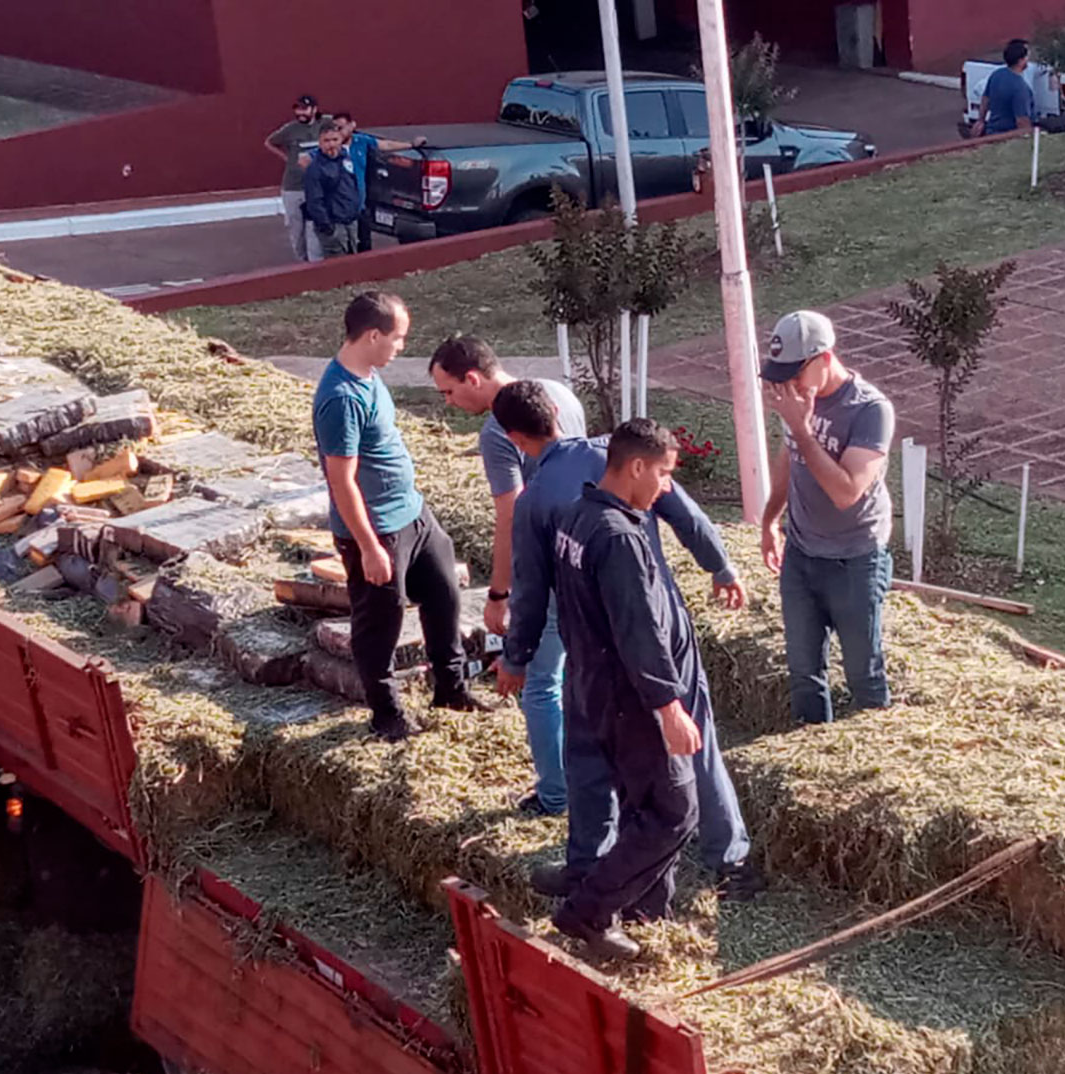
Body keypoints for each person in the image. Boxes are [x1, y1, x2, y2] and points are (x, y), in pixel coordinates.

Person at [490, 383, 762, 901]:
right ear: (555, 414)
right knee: (693, 743)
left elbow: (531, 590)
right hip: (659, 629)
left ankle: (588, 863)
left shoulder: (536, 501)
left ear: (514, 438)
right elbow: (689, 518)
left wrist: (517, 657)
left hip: (597, 645)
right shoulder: (615, 455)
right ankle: (730, 862)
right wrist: (721, 567)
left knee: (591, 752)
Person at [542, 419, 707, 961]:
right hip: (631, 699)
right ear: (636, 466)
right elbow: (640, 631)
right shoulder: (619, 540)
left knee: (641, 806)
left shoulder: (577, 518)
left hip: (593, 686)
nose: (665, 487)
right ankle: (588, 910)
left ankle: (647, 907)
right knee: (674, 813)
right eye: (662, 474)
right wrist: (669, 708)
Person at [312, 293, 486, 740]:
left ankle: (450, 688)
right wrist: (368, 546)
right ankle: (387, 715)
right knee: (380, 623)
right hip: (377, 529)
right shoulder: (340, 397)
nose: (401, 347)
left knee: (445, 595)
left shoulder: (369, 375)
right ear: (372, 336)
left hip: (413, 513)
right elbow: (341, 480)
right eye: (397, 338)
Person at [427, 337, 586, 816]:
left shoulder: (499, 430)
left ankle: (556, 795)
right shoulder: (559, 392)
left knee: (540, 682)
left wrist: (500, 594)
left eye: (449, 392)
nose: (450, 404)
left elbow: (510, 516)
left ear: (473, 379)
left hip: (550, 567)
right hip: (587, 554)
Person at [757, 310, 895, 727]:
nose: (786, 385)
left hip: (855, 559)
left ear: (825, 358)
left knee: (863, 676)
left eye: (794, 373)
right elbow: (788, 462)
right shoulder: (797, 402)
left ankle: (876, 763)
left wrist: (802, 429)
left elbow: (847, 492)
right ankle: (814, 753)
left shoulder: (870, 410)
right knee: (803, 673)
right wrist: (769, 521)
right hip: (802, 554)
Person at [334, 113, 425, 253]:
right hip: (340, 209)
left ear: (352, 125)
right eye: (335, 128)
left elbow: (385, 144)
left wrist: (411, 144)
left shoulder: (361, 141)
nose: (339, 131)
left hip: (360, 206)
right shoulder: (331, 148)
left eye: (341, 127)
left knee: (364, 245)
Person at [266, 94, 328, 262]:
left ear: (314, 110)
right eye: (298, 109)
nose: (300, 112)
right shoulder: (290, 129)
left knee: (315, 226)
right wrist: (286, 158)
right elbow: (269, 142)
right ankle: (302, 262)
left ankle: (316, 263)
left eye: (304, 109)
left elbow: (341, 128)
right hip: (293, 186)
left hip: (316, 186)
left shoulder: (325, 124)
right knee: (297, 229)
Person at [303, 124, 363, 258]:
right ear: (319, 143)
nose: (331, 144)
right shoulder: (315, 168)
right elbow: (314, 201)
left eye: (335, 140)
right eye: (327, 141)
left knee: (353, 259)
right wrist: (327, 227)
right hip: (334, 224)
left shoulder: (346, 158)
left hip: (350, 221)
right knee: (338, 265)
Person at [977, 40, 1035, 137]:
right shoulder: (1020, 88)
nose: (1028, 60)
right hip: (1008, 136)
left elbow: (985, 99)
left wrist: (980, 120)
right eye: (1027, 57)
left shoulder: (997, 75)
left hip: (991, 131)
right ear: (1021, 61)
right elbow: (1022, 121)